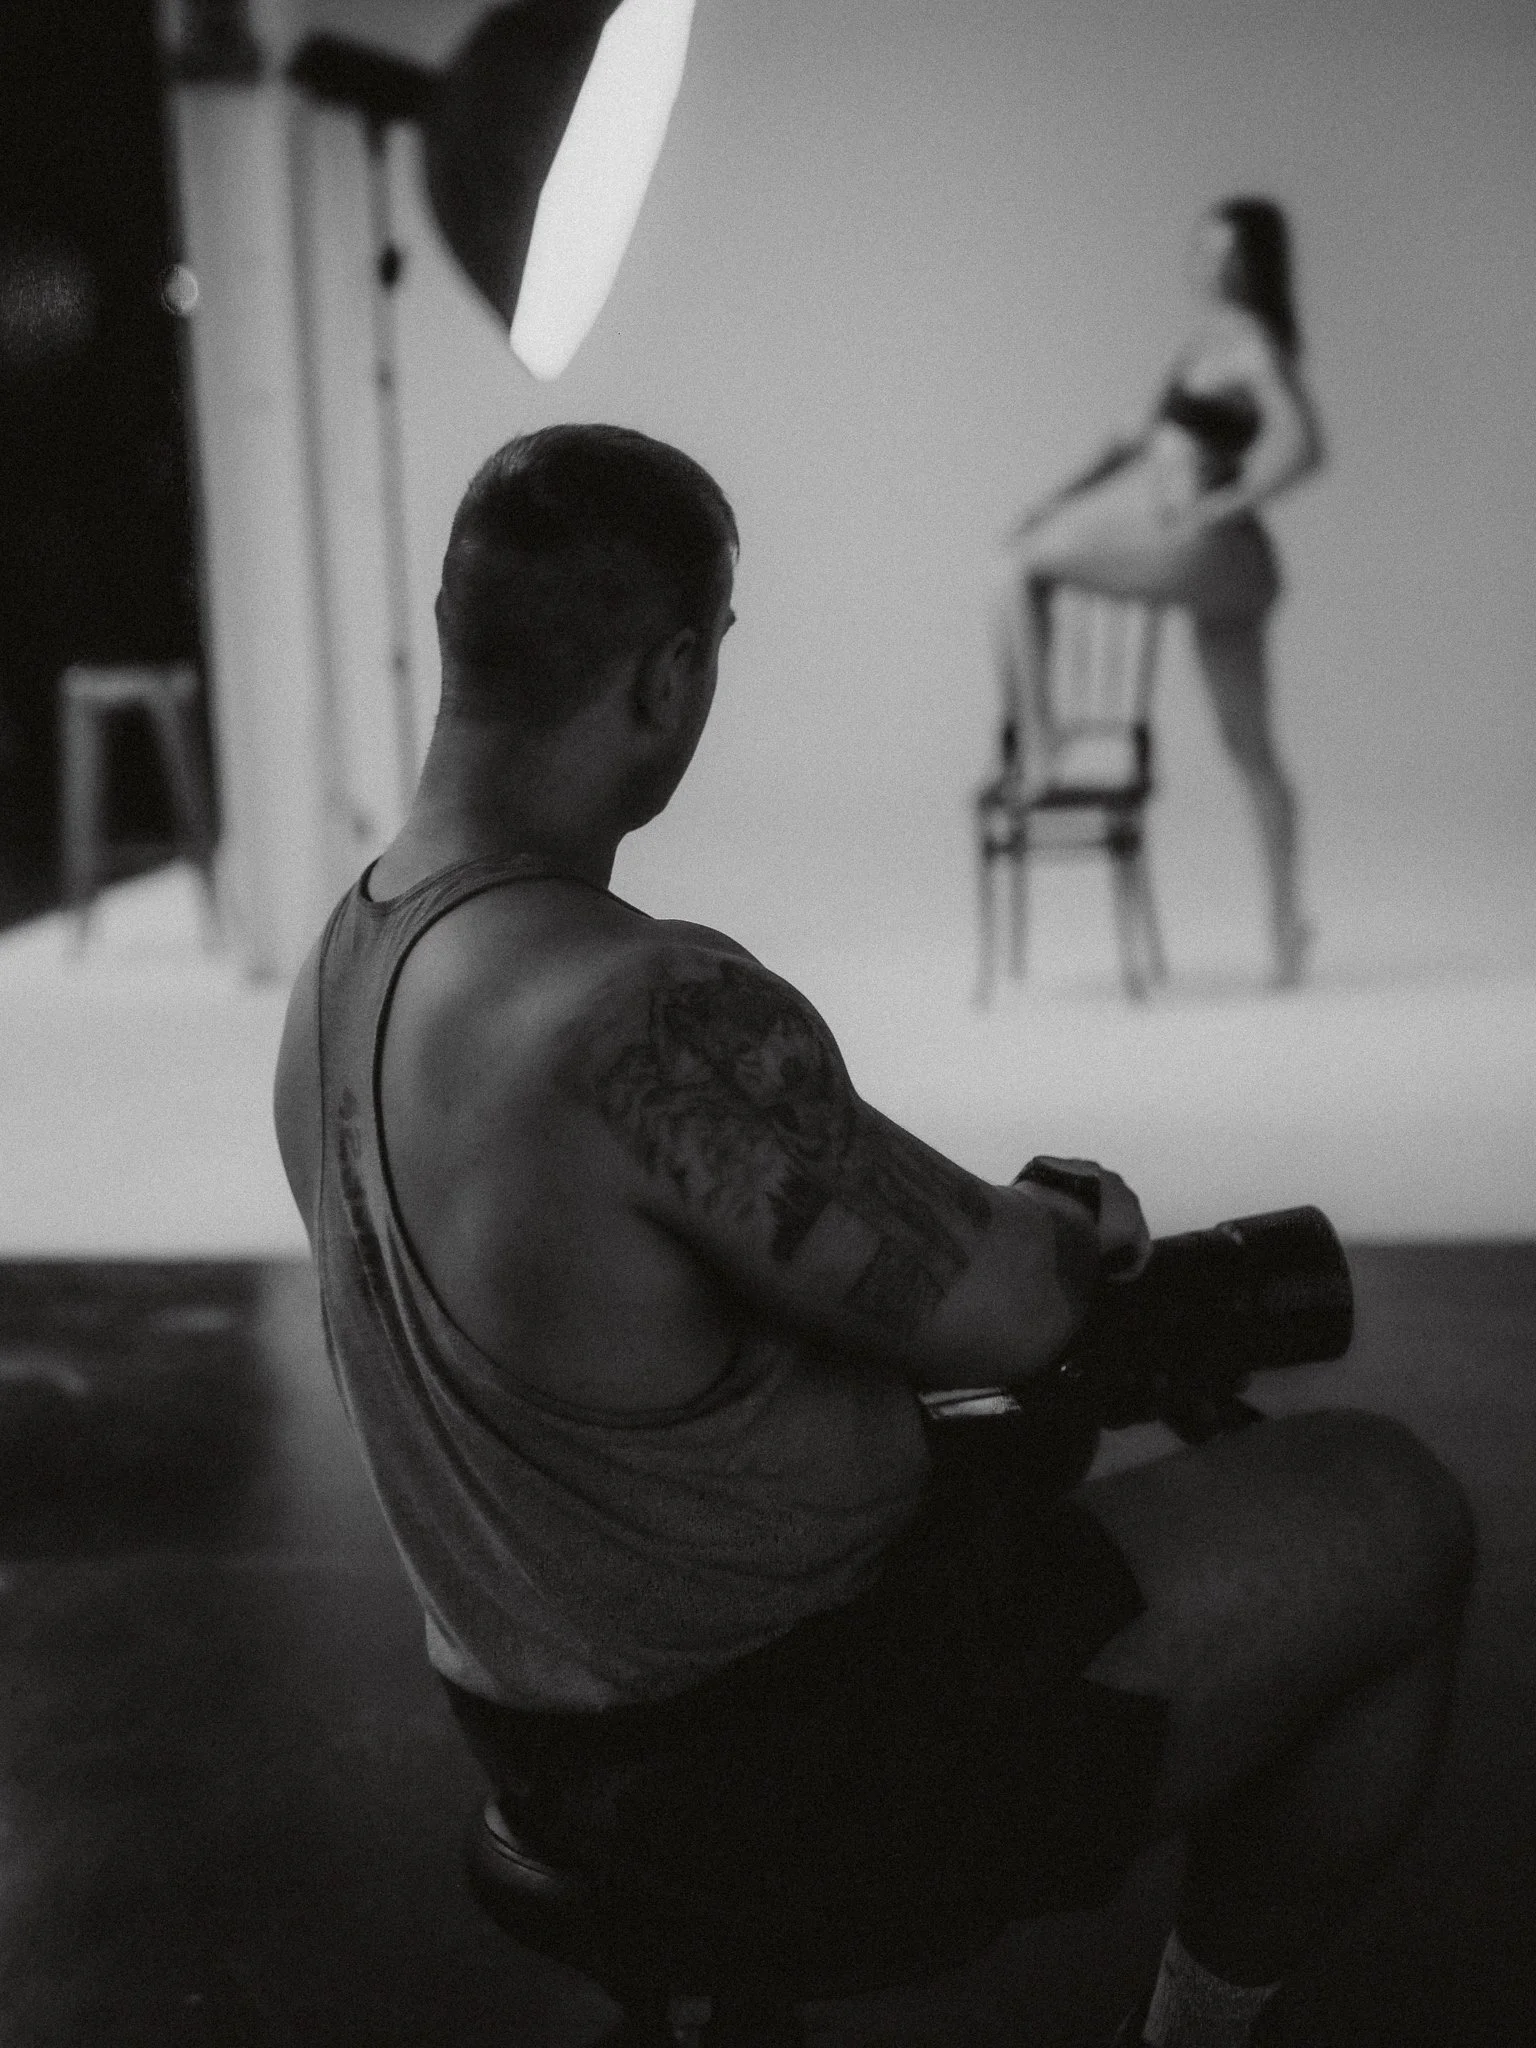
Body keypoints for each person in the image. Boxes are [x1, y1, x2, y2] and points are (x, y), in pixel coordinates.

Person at [274, 425, 1473, 2047]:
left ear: (458, 633)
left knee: (1032, 1463)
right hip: (796, 1753)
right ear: (673, 674)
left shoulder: (342, 974)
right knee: (1391, 1506)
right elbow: (1011, 1304)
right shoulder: (640, 1010)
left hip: (540, 1726)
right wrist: (1075, 1218)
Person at [993, 198, 1325, 989]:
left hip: (1210, 549)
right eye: (1204, 246)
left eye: (1226, 250)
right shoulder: (1203, 342)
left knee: (1016, 568)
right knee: (1250, 749)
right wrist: (1055, 496)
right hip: (1224, 566)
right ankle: (1288, 925)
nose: (1209, 261)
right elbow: (1134, 444)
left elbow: (1305, 440)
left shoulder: (1247, 341)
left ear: (1252, 262)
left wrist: (1231, 501)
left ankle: (1043, 746)